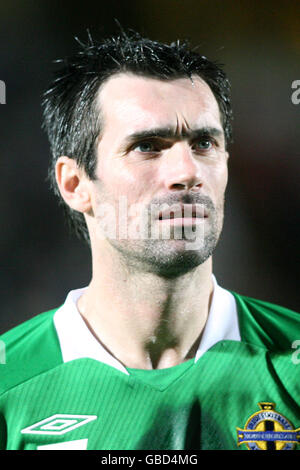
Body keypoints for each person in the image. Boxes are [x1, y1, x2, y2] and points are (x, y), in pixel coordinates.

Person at [0, 30, 299, 452]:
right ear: (75, 183)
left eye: (204, 143)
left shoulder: (292, 367)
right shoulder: (9, 384)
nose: (187, 171)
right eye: (147, 146)